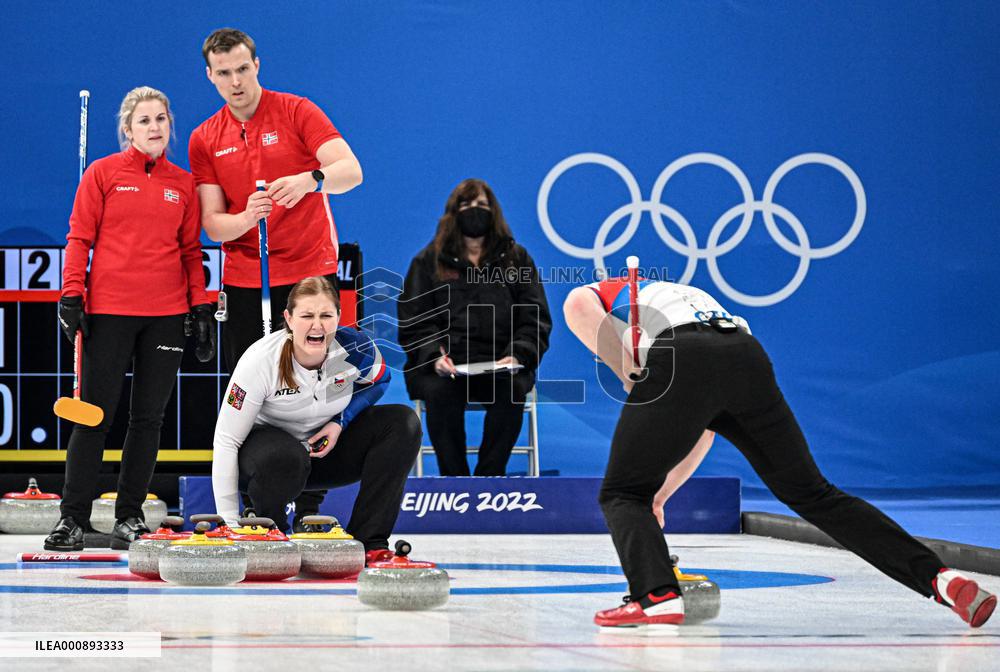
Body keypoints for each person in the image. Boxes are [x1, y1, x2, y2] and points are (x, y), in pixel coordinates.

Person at [562, 271, 996, 631]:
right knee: (813, 493)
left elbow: (578, 307)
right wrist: (660, 496)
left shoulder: (607, 291)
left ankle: (656, 596)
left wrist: (625, 370)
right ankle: (941, 578)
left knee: (621, 494)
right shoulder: (687, 296)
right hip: (745, 355)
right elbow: (701, 432)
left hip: (684, 354)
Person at [189, 27, 363, 523]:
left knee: (323, 385)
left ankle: (309, 504)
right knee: (254, 392)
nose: (235, 81)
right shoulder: (206, 137)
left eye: (243, 69)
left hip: (309, 273)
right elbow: (213, 222)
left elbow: (352, 171)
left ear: (257, 65)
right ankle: (256, 502)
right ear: (211, 77)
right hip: (247, 278)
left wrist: (311, 180)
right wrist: (246, 218)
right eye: (224, 74)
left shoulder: (296, 111)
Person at [45, 86, 214, 552]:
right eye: (144, 121)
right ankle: (72, 520)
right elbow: (79, 238)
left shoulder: (182, 183)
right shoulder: (102, 174)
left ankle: (129, 517)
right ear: (127, 129)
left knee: (148, 419)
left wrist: (199, 306)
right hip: (110, 312)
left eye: (161, 118)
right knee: (94, 416)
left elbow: (189, 251)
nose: (154, 127)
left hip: (165, 315)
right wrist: (71, 294)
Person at [212, 276, 421, 562]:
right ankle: (271, 532)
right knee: (286, 457)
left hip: (322, 454)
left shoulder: (356, 349)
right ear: (288, 318)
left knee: (403, 422)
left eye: (326, 315)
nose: (317, 325)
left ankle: (369, 542)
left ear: (338, 317)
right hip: (266, 463)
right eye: (306, 315)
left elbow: (380, 380)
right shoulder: (259, 361)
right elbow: (226, 440)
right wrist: (229, 523)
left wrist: (340, 421)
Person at [397, 179, 551, 476]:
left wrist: (519, 355)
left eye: (481, 205)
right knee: (439, 393)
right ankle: (455, 482)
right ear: (452, 214)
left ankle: (488, 480)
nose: (474, 211)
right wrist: (434, 356)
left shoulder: (516, 259)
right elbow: (414, 319)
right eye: (466, 205)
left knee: (512, 390)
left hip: (501, 364)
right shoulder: (428, 261)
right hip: (447, 367)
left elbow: (535, 316)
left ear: (494, 211)